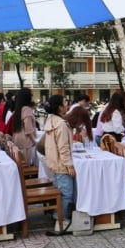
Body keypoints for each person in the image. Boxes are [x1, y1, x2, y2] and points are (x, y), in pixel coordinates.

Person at [43, 94, 76, 222]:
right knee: (67, 194)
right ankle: (61, 218)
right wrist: (69, 165)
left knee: (61, 191)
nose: (67, 104)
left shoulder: (51, 119)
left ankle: (59, 216)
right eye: (65, 102)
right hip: (61, 164)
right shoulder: (61, 124)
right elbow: (63, 147)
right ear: (60, 107)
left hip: (54, 162)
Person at [12, 88, 38, 166]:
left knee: (21, 166)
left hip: (18, 140)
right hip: (25, 143)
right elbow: (28, 129)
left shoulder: (18, 109)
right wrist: (35, 142)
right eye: (31, 96)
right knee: (27, 164)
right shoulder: (27, 109)